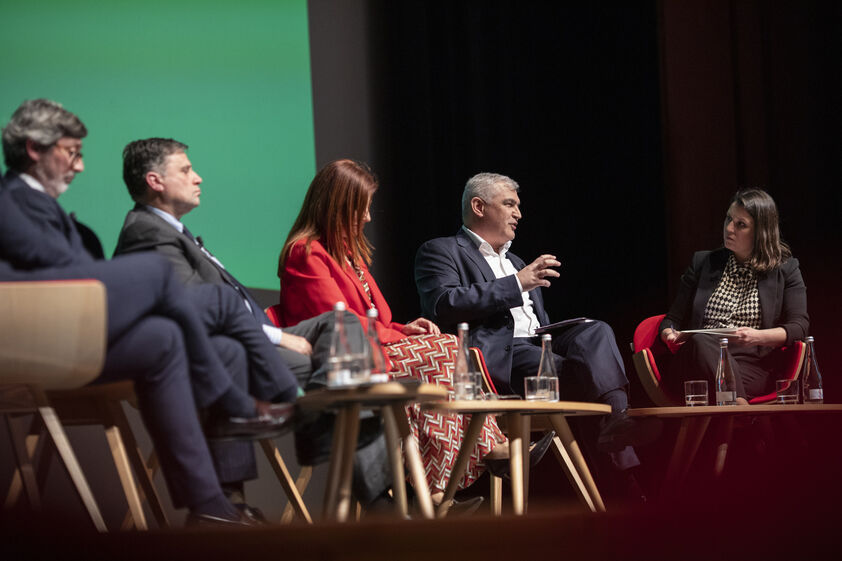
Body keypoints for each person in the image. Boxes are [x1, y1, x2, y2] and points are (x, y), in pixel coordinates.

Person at [0, 99, 296, 525]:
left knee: (164, 338)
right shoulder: (10, 201)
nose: (79, 167)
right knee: (158, 274)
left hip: (69, 335)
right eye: (72, 153)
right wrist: (125, 282)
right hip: (38, 339)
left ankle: (209, 505)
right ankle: (235, 400)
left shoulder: (43, 207)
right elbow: (60, 272)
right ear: (34, 148)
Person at [113, 138, 390, 510]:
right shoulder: (146, 231)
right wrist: (275, 336)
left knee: (341, 325)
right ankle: (372, 495)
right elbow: (191, 310)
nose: (198, 178)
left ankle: (323, 417)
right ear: (154, 181)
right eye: (185, 170)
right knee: (349, 370)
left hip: (253, 338)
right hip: (227, 350)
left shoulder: (173, 231)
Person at [276, 159, 552, 507]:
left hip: (373, 351)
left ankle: (437, 494)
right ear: (338, 206)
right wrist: (396, 336)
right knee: (447, 350)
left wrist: (402, 328)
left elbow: (374, 319)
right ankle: (476, 460)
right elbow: (337, 323)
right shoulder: (306, 254)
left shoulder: (350, 257)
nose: (368, 218)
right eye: (362, 209)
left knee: (432, 374)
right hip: (339, 361)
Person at [415, 172, 660, 496]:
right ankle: (623, 481)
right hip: (498, 356)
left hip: (538, 341)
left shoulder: (515, 260)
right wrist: (517, 283)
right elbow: (445, 304)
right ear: (478, 206)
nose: (519, 214)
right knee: (586, 377)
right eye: (509, 204)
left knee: (595, 330)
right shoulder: (442, 250)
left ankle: (617, 419)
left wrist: (520, 278)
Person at [658, 188, 809, 403]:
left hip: (751, 367)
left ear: (761, 231)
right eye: (729, 219)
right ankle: (742, 410)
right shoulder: (703, 263)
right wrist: (668, 334)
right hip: (695, 362)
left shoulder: (786, 269)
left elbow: (799, 327)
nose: (729, 228)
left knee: (720, 381)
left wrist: (756, 337)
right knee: (703, 341)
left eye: (741, 224)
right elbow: (671, 319)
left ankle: (731, 420)